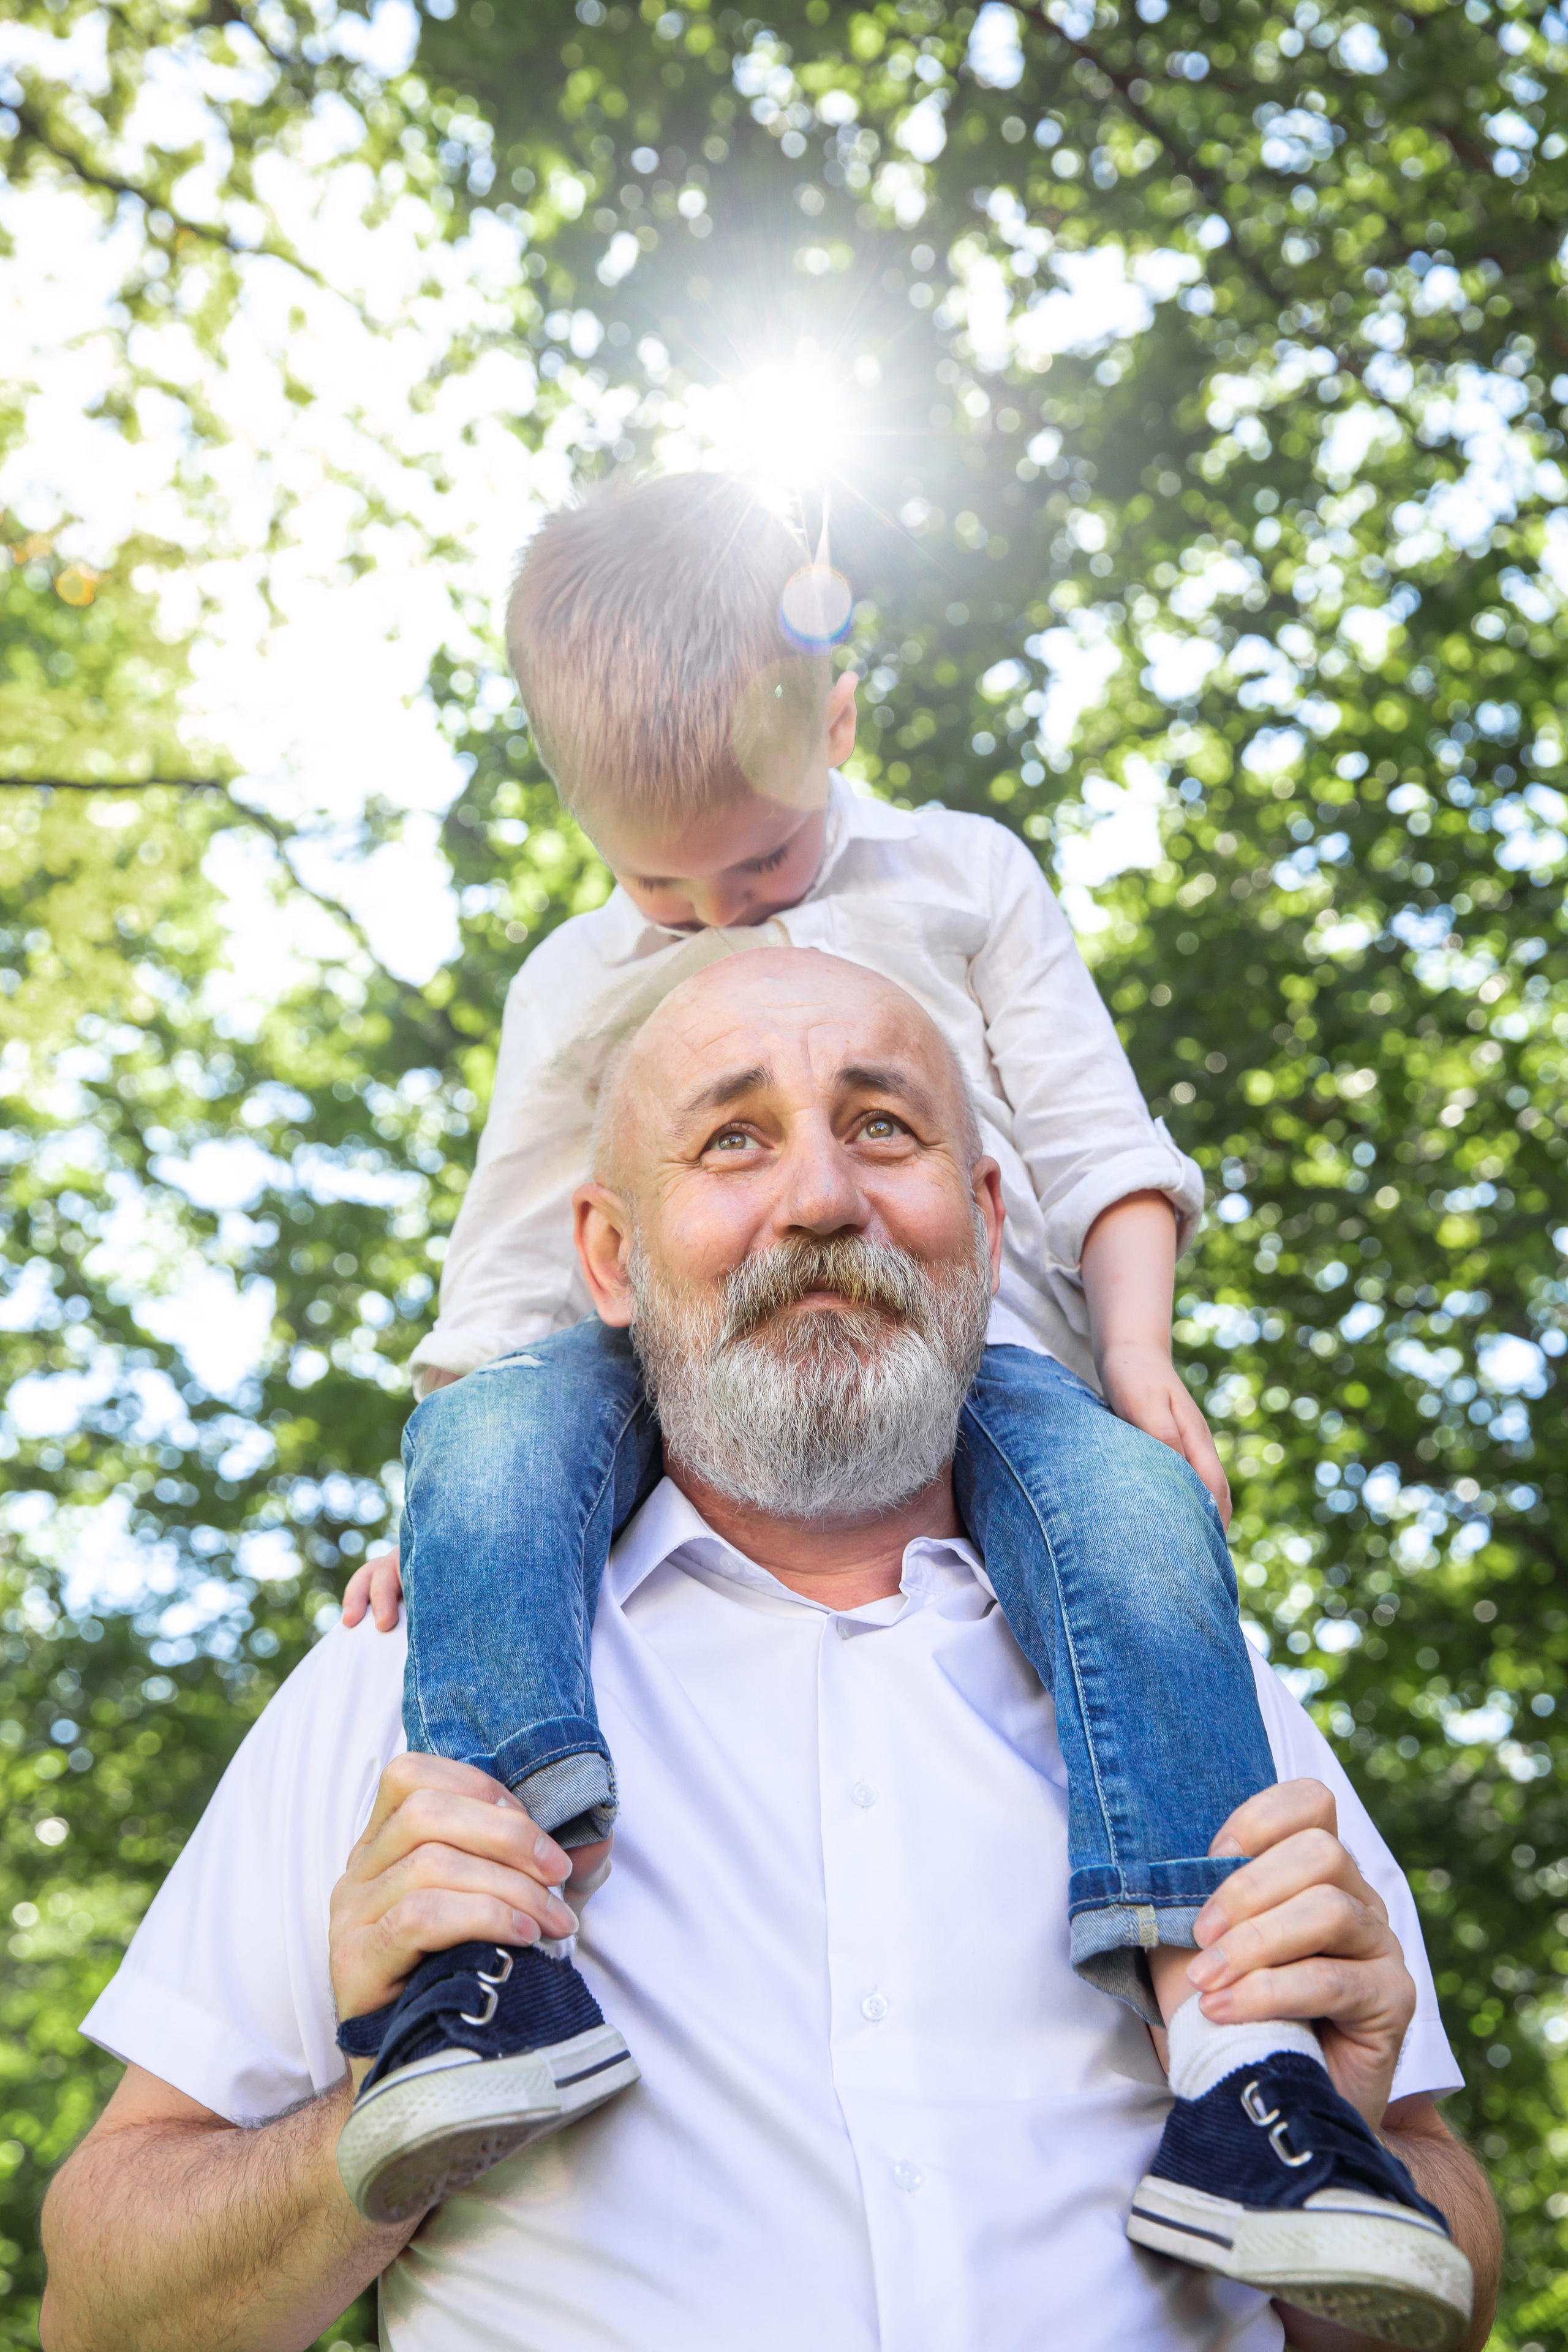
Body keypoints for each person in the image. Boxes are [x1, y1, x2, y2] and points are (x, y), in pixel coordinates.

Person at [41, 951, 1496, 2352]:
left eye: (881, 1126)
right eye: (733, 1140)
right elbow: (100, 2320)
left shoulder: (1188, 1678)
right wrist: (369, 2115)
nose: (819, 1197)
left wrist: (1357, 2122)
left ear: (987, 1221)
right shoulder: (400, 1685)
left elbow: (1448, 2286)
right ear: (607, 1257)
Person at [329, 477, 1436, 2302]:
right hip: (674, 1360)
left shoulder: (963, 877)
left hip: (975, 1355)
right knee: (494, 1435)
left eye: (755, 876)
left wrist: (1138, 1358)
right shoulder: (575, 982)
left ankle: (1243, 2067)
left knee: (1135, 1523)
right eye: (656, 886)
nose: (706, 919)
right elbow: (515, 1273)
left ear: (836, 719)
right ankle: (490, 1955)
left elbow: (1098, 1145)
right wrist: (435, 1509)